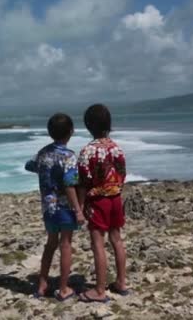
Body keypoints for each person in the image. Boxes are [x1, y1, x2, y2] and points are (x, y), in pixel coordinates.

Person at [25, 113, 85, 301]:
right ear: (71, 132)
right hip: (65, 208)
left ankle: (42, 284)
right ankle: (63, 288)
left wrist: (46, 171)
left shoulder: (43, 153)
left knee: (50, 244)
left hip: (48, 208)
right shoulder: (69, 156)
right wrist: (78, 210)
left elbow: (29, 166)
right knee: (65, 245)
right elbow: (69, 185)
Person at [77, 104, 129, 303]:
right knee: (117, 239)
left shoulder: (87, 151)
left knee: (98, 243)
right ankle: (121, 283)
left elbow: (83, 182)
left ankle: (99, 290)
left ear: (88, 125)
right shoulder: (116, 147)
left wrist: (80, 207)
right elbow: (122, 173)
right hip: (115, 197)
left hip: (97, 200)